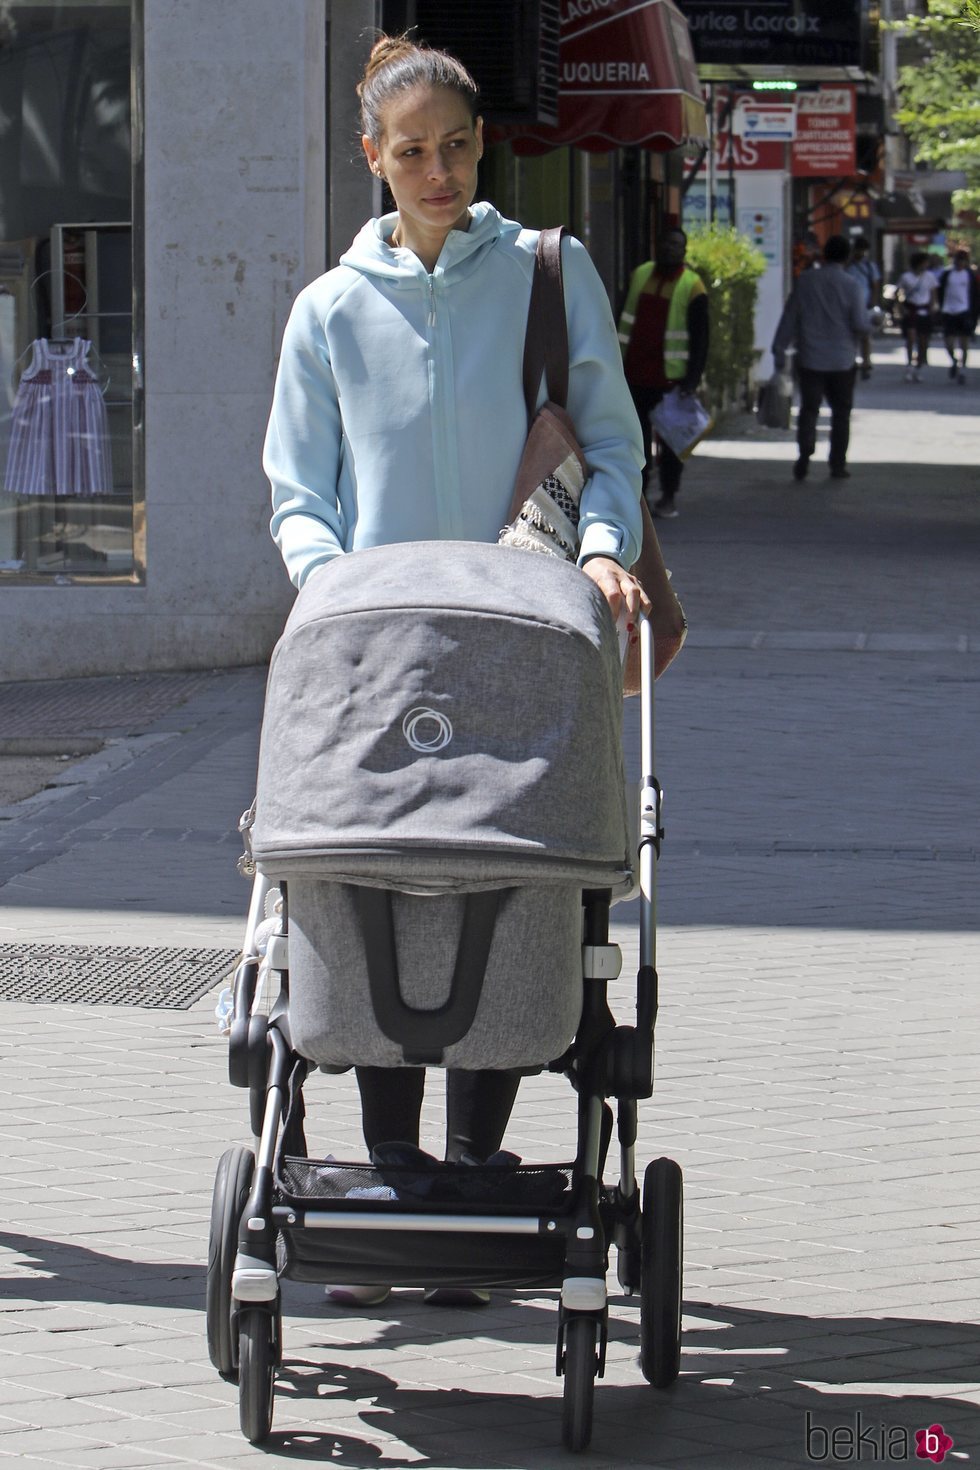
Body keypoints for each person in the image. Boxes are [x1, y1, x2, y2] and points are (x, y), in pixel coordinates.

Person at [262, 34, 647, 1307]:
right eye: (408, 150)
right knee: (378, 871)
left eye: (456, 145)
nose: (434, 169)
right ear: (370, 157)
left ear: (484, 148)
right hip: (376, 648)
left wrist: (601, 555)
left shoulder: (544, 270)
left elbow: (608, 439)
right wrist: (328, 584)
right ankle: (391, 1168)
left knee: (509, 861)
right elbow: (296, 493)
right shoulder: (328, 310)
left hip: (526, 634)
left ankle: (476, 1166)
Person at [618, 226, 708, 519]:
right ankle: (640, 497)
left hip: (672, 381)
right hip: (635, 376)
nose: (670, 248)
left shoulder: (692, 286)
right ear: (657, 246)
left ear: (684, 251)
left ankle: (668, 496)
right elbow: (622, 320)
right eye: (665, 242)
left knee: (671, 445)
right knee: (637, 442)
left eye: (676, 244)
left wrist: (692, 380)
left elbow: (701, 338)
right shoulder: (640, 275)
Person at [771, 233, 870, 483]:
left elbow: (790, 318)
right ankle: (837, 464)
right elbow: (860, 323)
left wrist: (779, 349)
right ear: (847, 257)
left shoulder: (806, 281)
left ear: (824, 255)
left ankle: (804, 455)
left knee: (808, 410)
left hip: (811, 359)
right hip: (842, 361)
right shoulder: (852, 285)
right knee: (841, 413)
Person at [938, 248, 980, 384]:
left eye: (963, 261)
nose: (960, 263)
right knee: (948, 342)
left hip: (964, 311)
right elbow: (939, 292)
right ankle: (954, 360)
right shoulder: (947, 274)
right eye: (958, 260)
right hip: (949, 310)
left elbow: (975, 296)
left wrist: (974, 316)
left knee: (964, 343)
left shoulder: (970, 275)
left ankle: (963, 369)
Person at [896, 252, 940, 382]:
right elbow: (899, 293)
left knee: (923, 342)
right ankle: (909, 366)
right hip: (911, 310)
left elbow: (933, 293)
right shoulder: (906, 277)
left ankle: (918, 367)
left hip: (924, 311)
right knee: (910, 338)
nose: (927, 264)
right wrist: (900, 308)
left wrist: (934, 307)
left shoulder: (930, 277)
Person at [845, 235, 881, 380]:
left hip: (864, 303)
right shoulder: (848, 265)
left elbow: (875, 285)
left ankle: (866, 362)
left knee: (866, 336)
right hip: (848, 304)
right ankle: (852, 361)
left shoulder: (869, 266)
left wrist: (873, 302)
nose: (860, 253)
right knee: (850, 335)